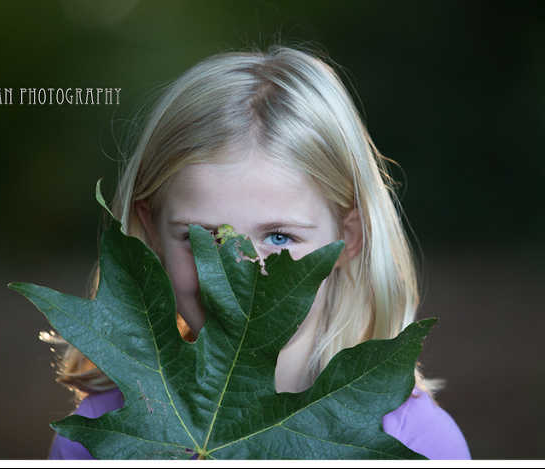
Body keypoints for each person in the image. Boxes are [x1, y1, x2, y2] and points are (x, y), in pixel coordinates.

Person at [45, 45, 471, 460]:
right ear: (152, 231)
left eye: (280, 239)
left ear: (348, 239)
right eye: (205, 239)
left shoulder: (415, 445)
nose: (240, 273)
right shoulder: (100, 440)